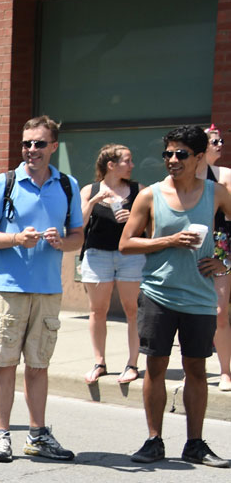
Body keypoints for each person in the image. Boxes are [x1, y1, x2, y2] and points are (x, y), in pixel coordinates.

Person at [120, 125, 231, 467]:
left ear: (199, 157)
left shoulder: (217, 193)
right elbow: (126, 243)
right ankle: (154, 441)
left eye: (181, 154)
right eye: (168, 153)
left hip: (199, 297)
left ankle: (195, 444)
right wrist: (168, 241)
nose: (172, 159)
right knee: (155, 367)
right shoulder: (150, 195)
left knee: (196, 370)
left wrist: (224, 260)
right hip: (157, 294)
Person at [0, 115, 84, 462]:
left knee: (38, 366)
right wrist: (15, 239)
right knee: (4, 365)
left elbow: (78, 237)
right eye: (26, 143)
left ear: (53, 146)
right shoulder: (4, 182)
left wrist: (62, 241)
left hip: (48, 290)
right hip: (7, 289)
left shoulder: (67, 185)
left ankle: (37, 434)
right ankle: (2, 435)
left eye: (39, 143)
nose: (31, 150)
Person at [80, 144, 144, 386]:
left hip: (131, 255)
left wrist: (133, 221)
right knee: (97, 310)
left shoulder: (139, 191)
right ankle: (99, 362)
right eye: (127, 161)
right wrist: (95, 199)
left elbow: (151, 226)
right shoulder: (91, 190)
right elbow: (79, 223)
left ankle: (132, 364)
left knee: (132, 310)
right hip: (97, 255)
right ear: (111, 165)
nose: (132, 165)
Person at [198, 124, 231, 391]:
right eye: (214, 141)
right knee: (191, 312)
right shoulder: (186, 174)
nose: (219, 144)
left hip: (220, 246)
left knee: (220, 313)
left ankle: (224, 372)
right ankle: (193, 367)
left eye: (221, 140)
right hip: (191, 245)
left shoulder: (226, 175)